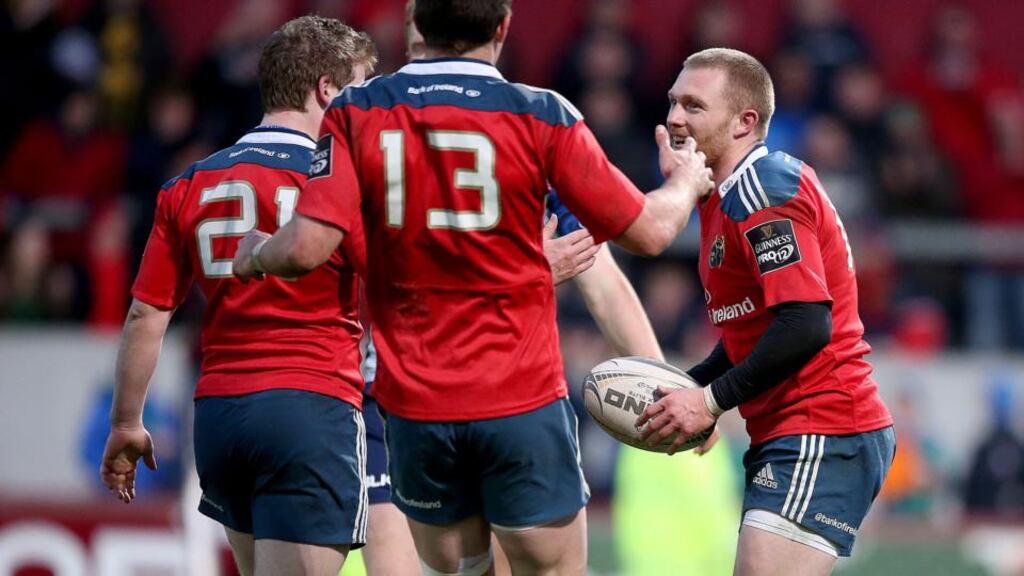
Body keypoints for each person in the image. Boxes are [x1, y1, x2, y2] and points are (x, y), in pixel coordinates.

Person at [232, 1, 713, 573]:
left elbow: (310, 250)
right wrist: (684, 184)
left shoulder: (356, 115)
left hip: (411, 406)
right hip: (516, 397)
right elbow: (642, 238)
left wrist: (254, 254)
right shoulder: (540, 117)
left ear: (420, 29)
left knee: (461, 568)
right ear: (504, 27)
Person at [99, 16, 377, 576]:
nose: (369, 108)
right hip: (310, 405)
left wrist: (127, 422)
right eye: (361, 88)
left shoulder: (189, 183)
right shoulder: (342, 182)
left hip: (222, 418)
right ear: (326, 89)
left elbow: (146, 313)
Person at [638, 48, 895, 575]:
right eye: (672, 103)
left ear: (744, 122)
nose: (674, 118)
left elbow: (805, 323)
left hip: (823, 426)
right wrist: (692, 387)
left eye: (693, 106)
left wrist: (709, 402)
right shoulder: (724, 196)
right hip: (795, 430)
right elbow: (750, 328)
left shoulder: (762, 190)